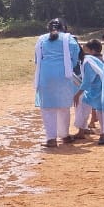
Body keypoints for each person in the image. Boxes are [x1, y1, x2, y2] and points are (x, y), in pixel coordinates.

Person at [34, 19, 80, 148]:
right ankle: (65, 135)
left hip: (46, 75)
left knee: (48, 108)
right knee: (64, 106)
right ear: (64, 28)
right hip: (63, 75)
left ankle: (51, 139)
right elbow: (75, 58)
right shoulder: (69, 39)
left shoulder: (41, 39)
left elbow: (37, 59)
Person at [73, 39, 104, 140]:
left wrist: (78, 94)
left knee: (97, 110)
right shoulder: (88, 59)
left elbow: (87, 81)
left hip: (97, 89)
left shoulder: (87, 61)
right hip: (97, 88)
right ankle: (82, 131)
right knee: (87, 108)